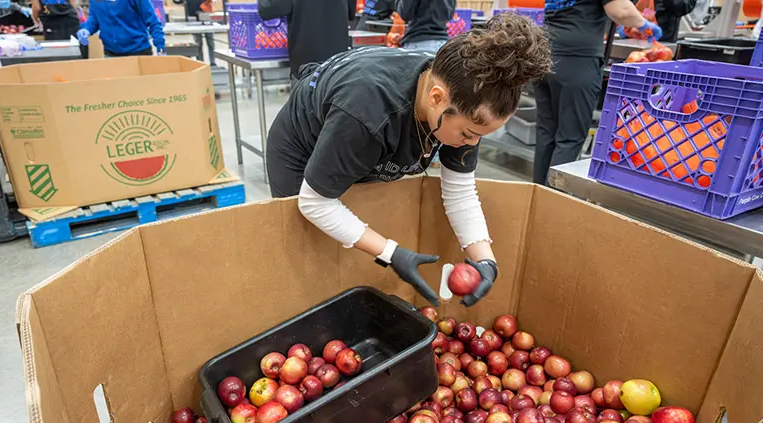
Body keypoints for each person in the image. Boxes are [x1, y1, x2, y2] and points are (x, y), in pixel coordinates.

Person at [264, 14, 552, 306]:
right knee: (315, 252)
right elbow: (315, 202)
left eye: (481, 136)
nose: (472, 143)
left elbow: (460, 191)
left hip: (359, 142)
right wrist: (391, 253)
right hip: (302, 150)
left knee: (357, 240)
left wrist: (485, 259)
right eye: (468, 134)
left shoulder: (462, 97)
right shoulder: (368, 111)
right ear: (437, 98)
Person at [532, 0, 662, 185]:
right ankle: (553, 202)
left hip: (546, 52)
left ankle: (536, 197)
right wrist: (644, 24)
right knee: (569, 138)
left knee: (547, 133)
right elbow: (621, 11)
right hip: (577, 59)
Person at [259, 0, 355, 80]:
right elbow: (351, 11)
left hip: (306, 67)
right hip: (337, 65)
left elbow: (267, 9)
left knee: (305, 101)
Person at [76, 0, 166, 57]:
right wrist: (86, 29)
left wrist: (160, 47)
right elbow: (94, 19)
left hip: (138, 53)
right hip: (111, 54)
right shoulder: (96, 1)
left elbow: (153, 21)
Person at [184, 0, 215, 65]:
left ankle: (213, 62)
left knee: (210, 42)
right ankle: (200, 62)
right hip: (193, 18)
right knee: (198, 44)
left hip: (206, 15)